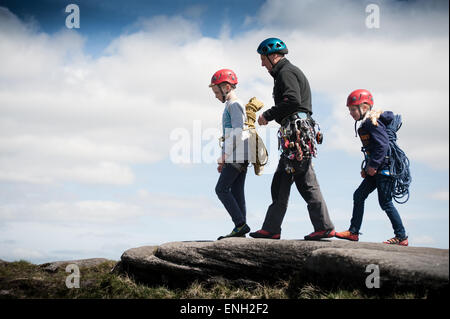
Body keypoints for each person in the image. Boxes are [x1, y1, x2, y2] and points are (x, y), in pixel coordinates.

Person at [249, 38, 335, 240]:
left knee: (305, 180)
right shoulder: (284, 72)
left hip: (297, 133)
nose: (262, 64)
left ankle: (324, 226)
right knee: (281, 180)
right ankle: (271, 228)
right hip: (293, 134)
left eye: (263, 59)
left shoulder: (286, 72)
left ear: (273, 56)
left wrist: (268, 115)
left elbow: (293, 100)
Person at [335, 89, 409, 245]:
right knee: (359, 195)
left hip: (384, 169)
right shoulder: (367, 122)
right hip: (376, 169)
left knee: (385, 202)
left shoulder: (371, 122)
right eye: (350, 110)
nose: (351, 113)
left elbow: (383, 145)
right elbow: (374, 148)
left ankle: (401, 236)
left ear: (364, 107)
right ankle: (353, 232)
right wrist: (368, 167)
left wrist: (373, 166)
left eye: (353, 109)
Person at [209, 69, 251, 240]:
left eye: (217, 91)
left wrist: (224, 156)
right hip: (240, 154)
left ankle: (240, 224)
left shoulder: (234, 104)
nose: (216, 95)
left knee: (221, 189)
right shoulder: (230, 104)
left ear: (226, 87)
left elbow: (238, 132)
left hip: (236, 154)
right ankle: (240, 228)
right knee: (236, 190)